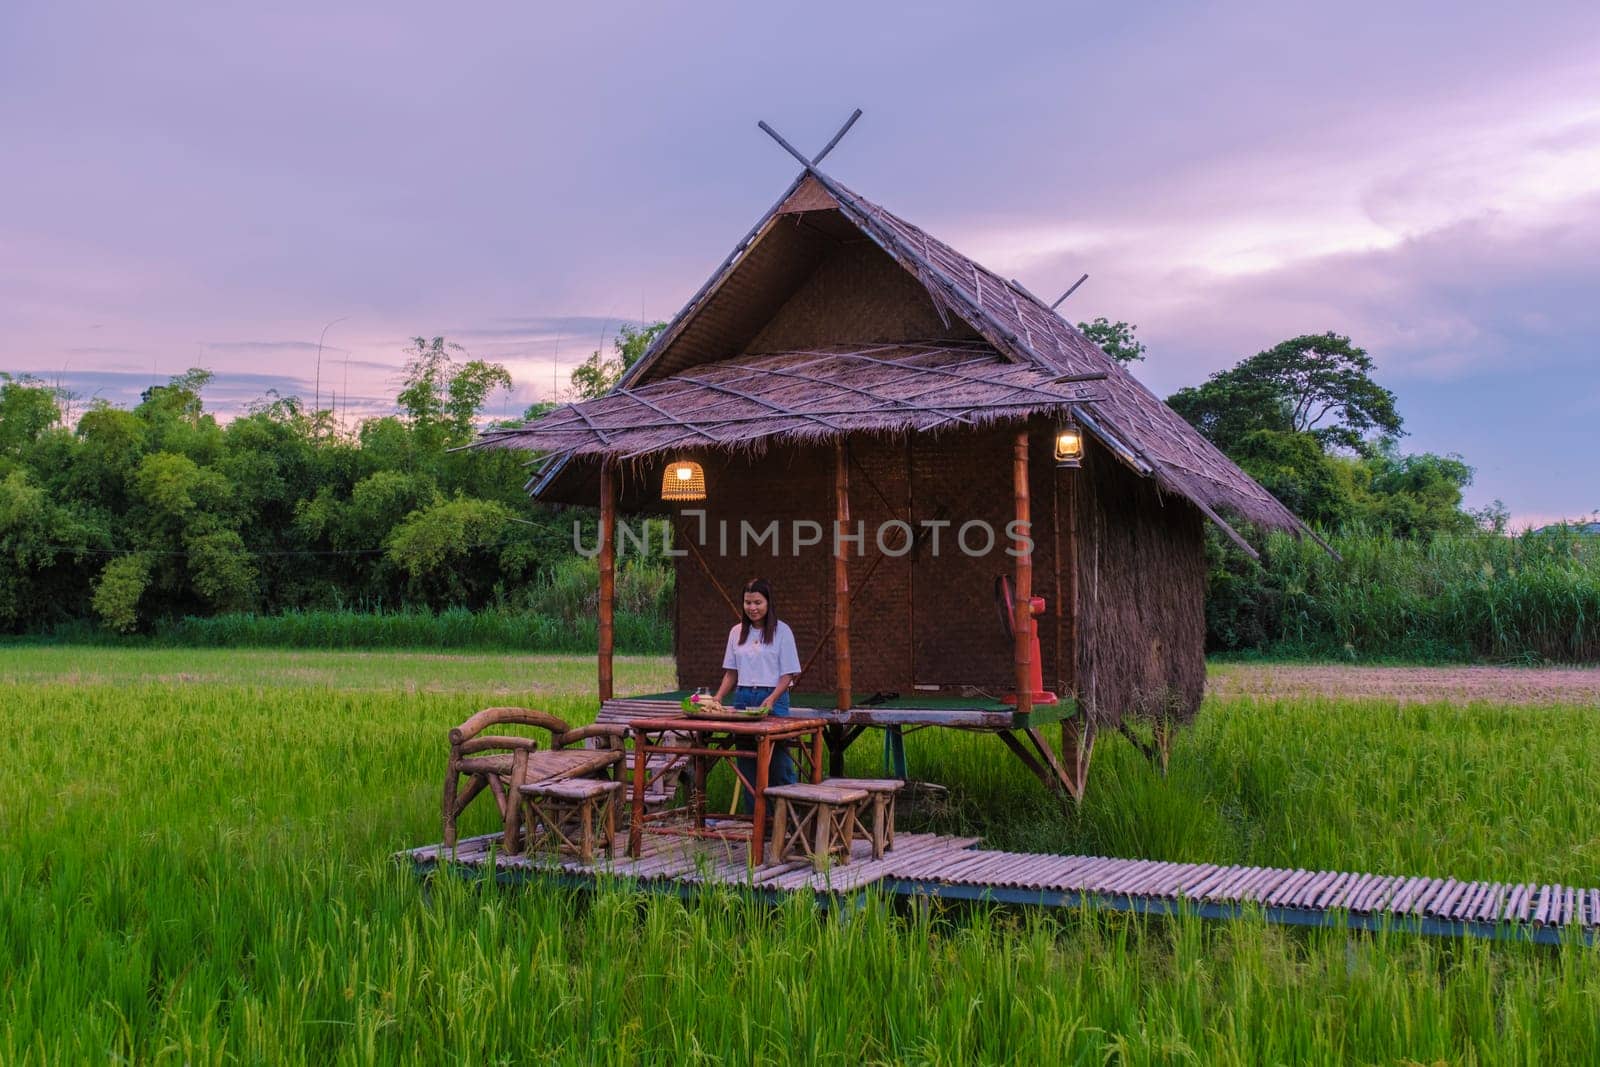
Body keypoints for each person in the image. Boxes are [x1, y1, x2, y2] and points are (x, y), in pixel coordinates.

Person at [712, 577, 801, 812]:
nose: (752, 608)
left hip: (773, 698)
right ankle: (758, 822)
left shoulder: (782, 631)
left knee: (779, 762)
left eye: (758, 602)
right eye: (748, 602)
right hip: (742, 698)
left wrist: (771, 699)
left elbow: (789, 673)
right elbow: (731, 672)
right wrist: (717, 699)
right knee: (747, 761)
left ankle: (789, 821)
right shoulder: (736, 632)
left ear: (769, 603)